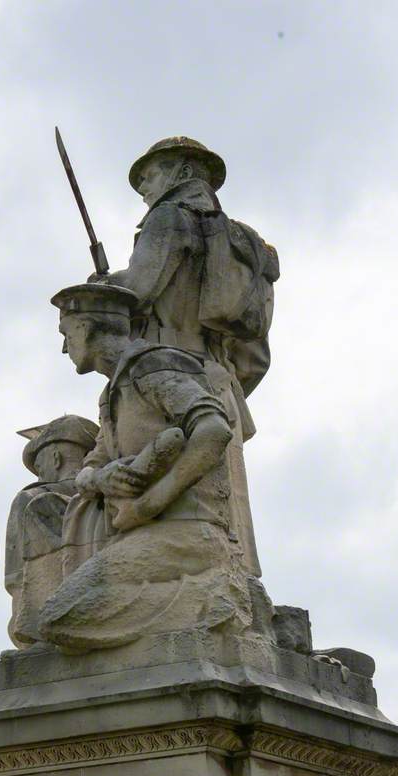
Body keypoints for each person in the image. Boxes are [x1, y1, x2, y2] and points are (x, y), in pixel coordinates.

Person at [37, 283, 253, 653]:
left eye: (66, 333)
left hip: (185, 534)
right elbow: (91, 466)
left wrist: (150, 503)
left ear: (87, 327)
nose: (63, 346)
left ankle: (213, 599)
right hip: (141, 538)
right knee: (57, 619)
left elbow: (213, 431)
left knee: (61, 617)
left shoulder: (154, 366)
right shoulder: (111, 394)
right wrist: (100, 477)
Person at [104, 136, 280, 578]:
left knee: (180, 511)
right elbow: (256, 357)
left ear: (181, 170)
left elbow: (137, 289)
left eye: (149, 175)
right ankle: (238, 592)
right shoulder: (239, 244)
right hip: (221, 380)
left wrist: (101, 285)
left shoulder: (168, 218)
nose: (143, 187)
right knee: (228, 508)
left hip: (165, 375)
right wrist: (220, 376)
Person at [4, 414, 97, 647]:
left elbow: (17, 580)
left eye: (39, 466)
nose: (39, 474)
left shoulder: (30, 498)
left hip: (46, 631)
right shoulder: (106, 494)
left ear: (55, 459)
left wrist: (26, 641)